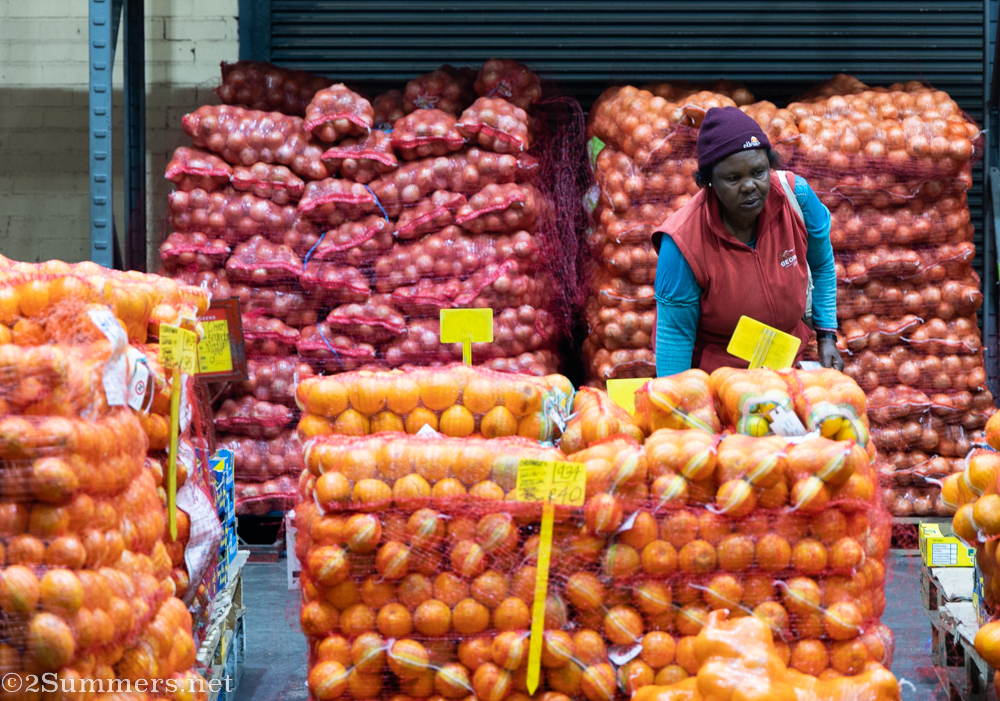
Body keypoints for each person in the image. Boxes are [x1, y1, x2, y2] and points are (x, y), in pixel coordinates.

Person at [652, 106, 842, 375]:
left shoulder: (795, 197)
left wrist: (826, 335)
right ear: (708, 183)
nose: (750, 186)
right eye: (733, 178)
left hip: (785, 369)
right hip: (719, 380)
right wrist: (680, 402)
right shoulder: (683, 242)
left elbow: (822, 264)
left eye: (758, 172)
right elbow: (675, 335)